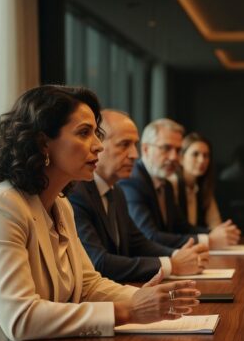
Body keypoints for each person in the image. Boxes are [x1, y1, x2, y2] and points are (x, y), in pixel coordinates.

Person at [0, 86, 200, 341]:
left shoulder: (60, 205)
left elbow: (88, 284)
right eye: (84, 133)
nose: (98, 146)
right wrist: (129, 309)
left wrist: (147, 299)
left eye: (97, 133)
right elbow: (21, 318)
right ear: (42, 143)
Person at [68, 110, 211, 282]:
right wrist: (172, 264)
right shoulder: (75, 193)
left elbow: (138, 242)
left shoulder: (116, 191)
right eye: (124, 144)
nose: (134, 155)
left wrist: (179, 255)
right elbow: (98, 262)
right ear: (97, 145)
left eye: (134, 145)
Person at [120, 118, 239, 249]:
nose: (174, 157)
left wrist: (218, 234)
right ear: (146, 149)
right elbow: (150, 236)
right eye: (166, 148)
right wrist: (208, 239)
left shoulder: (167, 185)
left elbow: (181, 227)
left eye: (178, 150)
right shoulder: (132, 182)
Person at [177, 133, 240, 240]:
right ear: (181, 158)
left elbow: (215, 223)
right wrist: (213, 233)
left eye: (206, 155)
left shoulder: (203, 188)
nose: (202, 160)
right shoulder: (171, 186)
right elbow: (179, 229)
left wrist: (226, 233)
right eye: (195, 154)